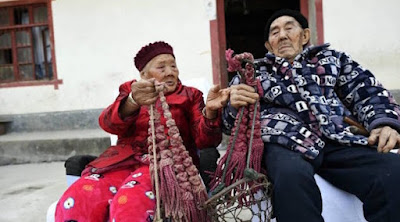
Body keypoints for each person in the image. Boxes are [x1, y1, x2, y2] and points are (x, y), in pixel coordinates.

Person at [222, 9, 400, 222]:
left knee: (391, 169)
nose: (283, 35)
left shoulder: (332, 60)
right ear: (269, 46)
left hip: (337, 138)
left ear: (305, 36)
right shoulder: (254, 73)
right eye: (275, 32)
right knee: (290, 178)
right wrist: (232, 106)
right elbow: (230, 122)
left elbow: (366, 90)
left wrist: (383, 123)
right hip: (285, 143)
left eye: (289, 28)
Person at [55, 41, 229, 222]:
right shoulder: (130, 91)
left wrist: (210, 112)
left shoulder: (191, 95)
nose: (170, 72)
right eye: (161, 67)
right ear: (143, 74)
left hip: (165, 167)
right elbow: (108, 124)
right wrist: (132, 101)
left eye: (173, 66)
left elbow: (205, 141)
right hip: (121, 163)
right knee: (80, 197)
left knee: (129, 203)